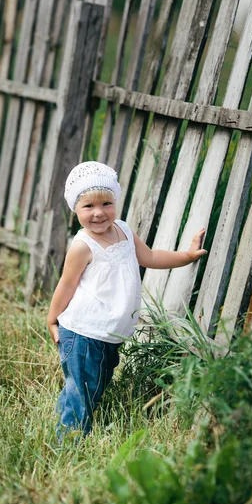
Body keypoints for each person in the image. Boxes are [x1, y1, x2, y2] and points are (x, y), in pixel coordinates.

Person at [47, 161, 207, 437]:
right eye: (88, 207)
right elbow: (66, 284)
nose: (99, 213)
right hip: (83, 332)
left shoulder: (122, 230)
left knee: (94, 384)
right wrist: (52, 319)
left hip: (108, 333)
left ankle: (67, 417)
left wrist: (187, 256)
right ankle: (68, 441)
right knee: (83, 390)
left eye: (106, 203)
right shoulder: (83, 246)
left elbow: (151, 257)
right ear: (75, 210)